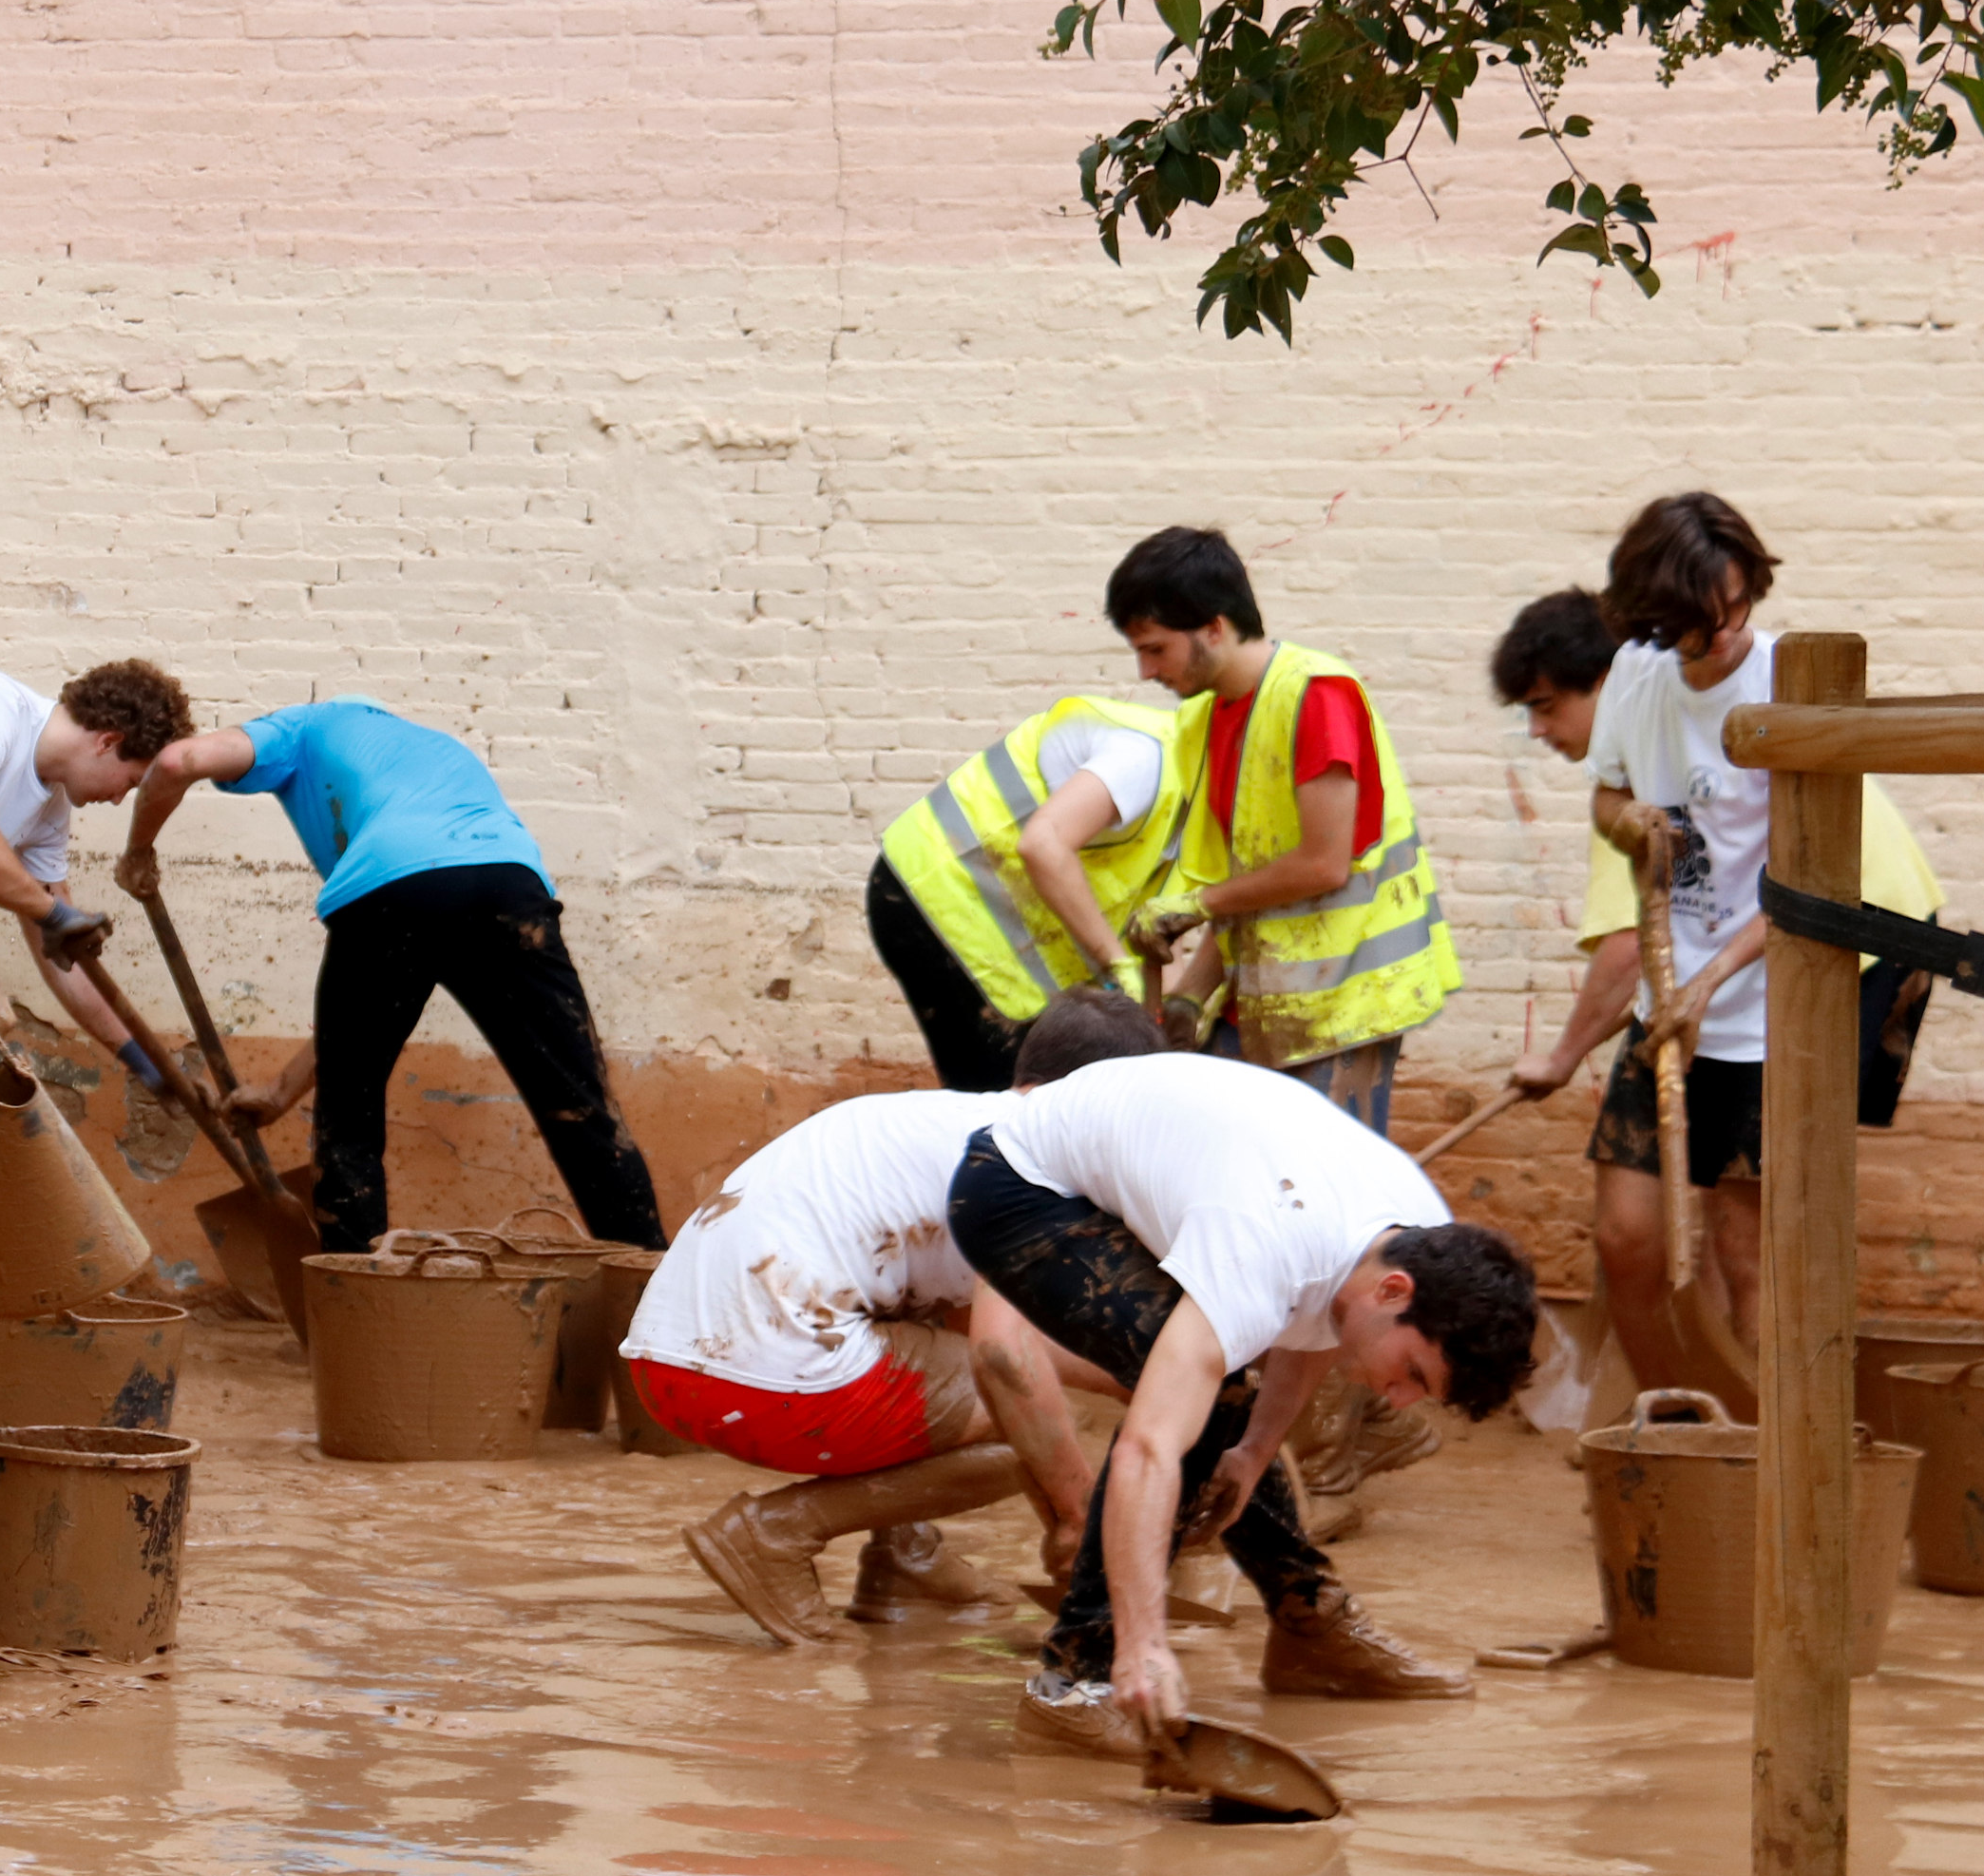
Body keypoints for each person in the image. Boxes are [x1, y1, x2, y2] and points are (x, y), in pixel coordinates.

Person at [945, 1050, 1538, 1758]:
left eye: (1420, 1394)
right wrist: (1144, 1644)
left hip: (1187, 1174)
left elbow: (1321, 1318)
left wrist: (1255, 1453)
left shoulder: (1414, 1236)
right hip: (1017, 1186)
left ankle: (1304, 1621)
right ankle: (1079, 1680)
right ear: (1396, 1292)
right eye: (1409, 1372)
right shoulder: (1269, 1244)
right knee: (1208, 1399)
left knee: (1229, 1415)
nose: (1396, 1398)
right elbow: (1148, 1447)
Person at [1489, 580, 1941, 1404]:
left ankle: (1757, 1445)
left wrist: (1559, 1057)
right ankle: (1688, 1417)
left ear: (1612, 685)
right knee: (1636, 1227)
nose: (1540, 732)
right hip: (1722, 967)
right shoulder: (1630, 786)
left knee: (1746, 1230)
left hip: (1856, 944)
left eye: (1550, 707)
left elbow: (1630, 953)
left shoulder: (1659, 733)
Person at [634, 985, 1168, 1645]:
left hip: (664, 1371)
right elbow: (1009, 1361)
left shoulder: (930, 1121)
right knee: (1032, 1414)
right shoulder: (1028, 1166)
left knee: (939, 1354)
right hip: (762, 1383)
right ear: (1108, 1101)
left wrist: (1138, 1379)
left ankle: (902, 1560)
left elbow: (960, 1330)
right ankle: (774, 1533)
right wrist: (1080, 1516)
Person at [115, 698, 662, 1256]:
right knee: (582, 1107)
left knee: (348, 1122)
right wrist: (280, 1092)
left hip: (388, 893)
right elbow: (358, 1020)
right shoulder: (433, 751)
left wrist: (137, 851)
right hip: (509, 886)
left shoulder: (301, 729)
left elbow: (179, 762)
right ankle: (649, 1300)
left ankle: (358, 1312)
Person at [1106, 526, 1459, 1123]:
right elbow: (1251, 886)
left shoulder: (1317, 694)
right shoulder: (1206, 719)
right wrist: (1194, 991)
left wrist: (1192, 904)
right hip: (1268, 1006)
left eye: (1155, 648)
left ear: (1214, 628)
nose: (1145, 671)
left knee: (1324, 1199)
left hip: (1346, 1007)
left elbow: (1323, 864)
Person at [867, 695, 1196, 1091]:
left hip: (989, 935)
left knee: (1027, 1096)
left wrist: (1173, 1015)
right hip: (931, 897)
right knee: (1002, 1101)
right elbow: (1042, 844)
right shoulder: (1145, 757)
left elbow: (1156, 938)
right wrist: (1118, 963)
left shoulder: (1195, 827)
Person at [0, 654, 199, 1085]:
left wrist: (144, 1062)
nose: (120, 799)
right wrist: (52, 913)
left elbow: (66, 958)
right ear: (107, 741)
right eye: (131, 781)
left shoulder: (50, 810)